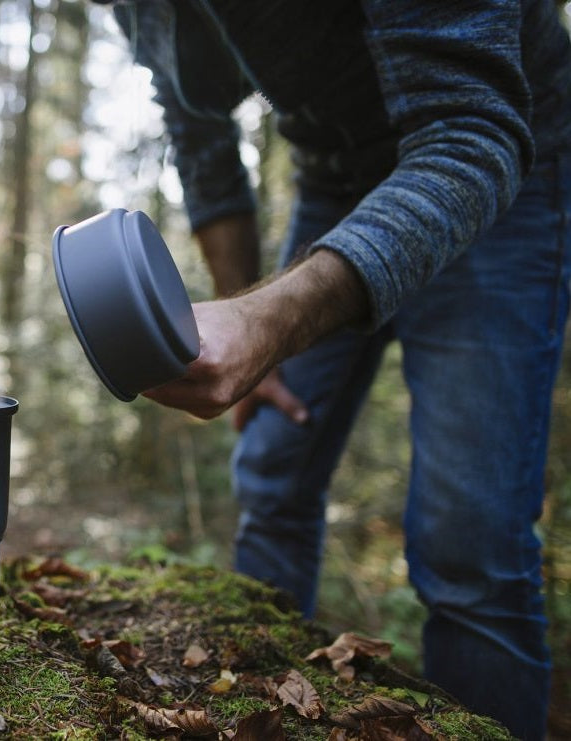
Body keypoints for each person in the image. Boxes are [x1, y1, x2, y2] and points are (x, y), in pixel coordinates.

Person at [100, 2, 571, 739]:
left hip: (499, 164)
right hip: (334, 174)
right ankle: (256, 705)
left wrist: (269, 321)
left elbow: (473, 135)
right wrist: (242, 316)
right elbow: (198, 126)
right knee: (274, 471)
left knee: (468, 544)